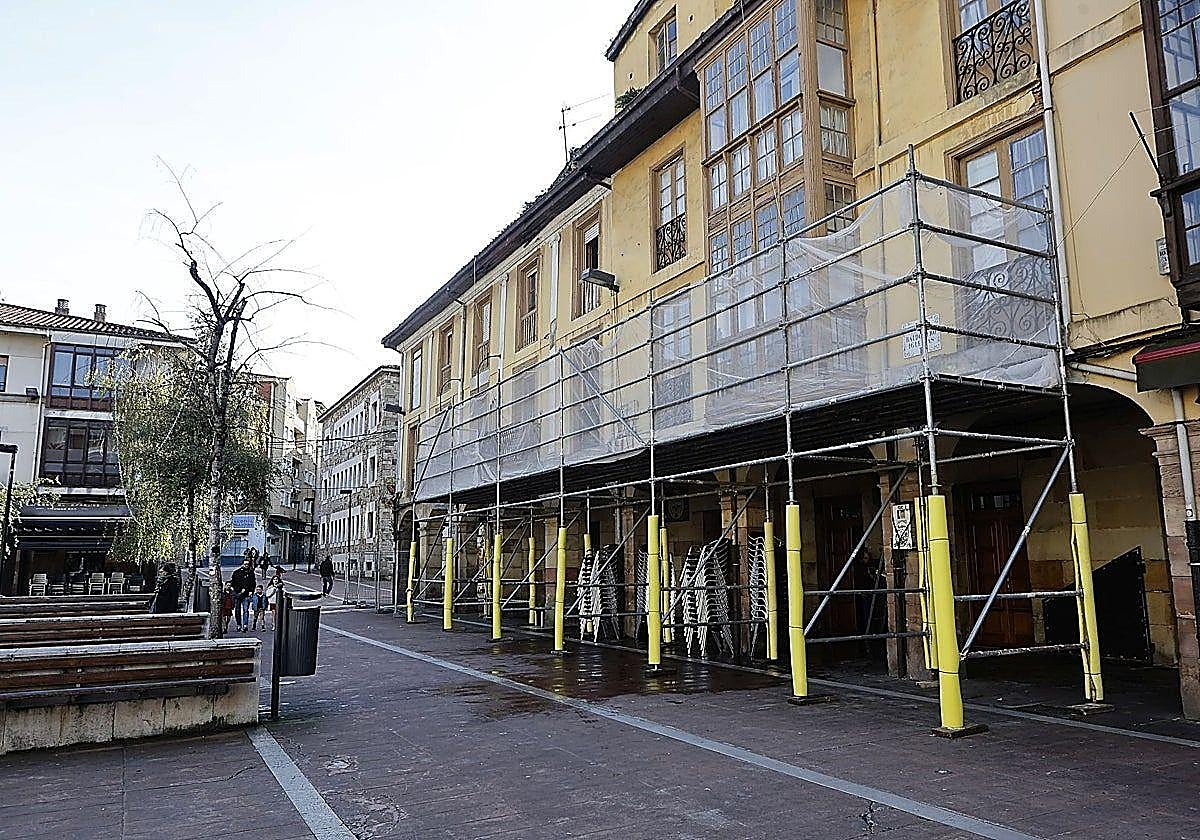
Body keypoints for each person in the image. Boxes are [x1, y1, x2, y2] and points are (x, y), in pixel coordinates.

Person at [230, 557, 256, 632]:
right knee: (237, 610)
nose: (246, 565)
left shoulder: (251, 573)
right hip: (238, 594)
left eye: (247, 564)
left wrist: (251, 591)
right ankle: (238, 624)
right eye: (245, 564)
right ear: (242, 564)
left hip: (246, 595)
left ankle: (245, 625)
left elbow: (253, 583)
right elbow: (233, 583)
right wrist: (238, 590)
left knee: (245, 610)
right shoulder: (236, 572)